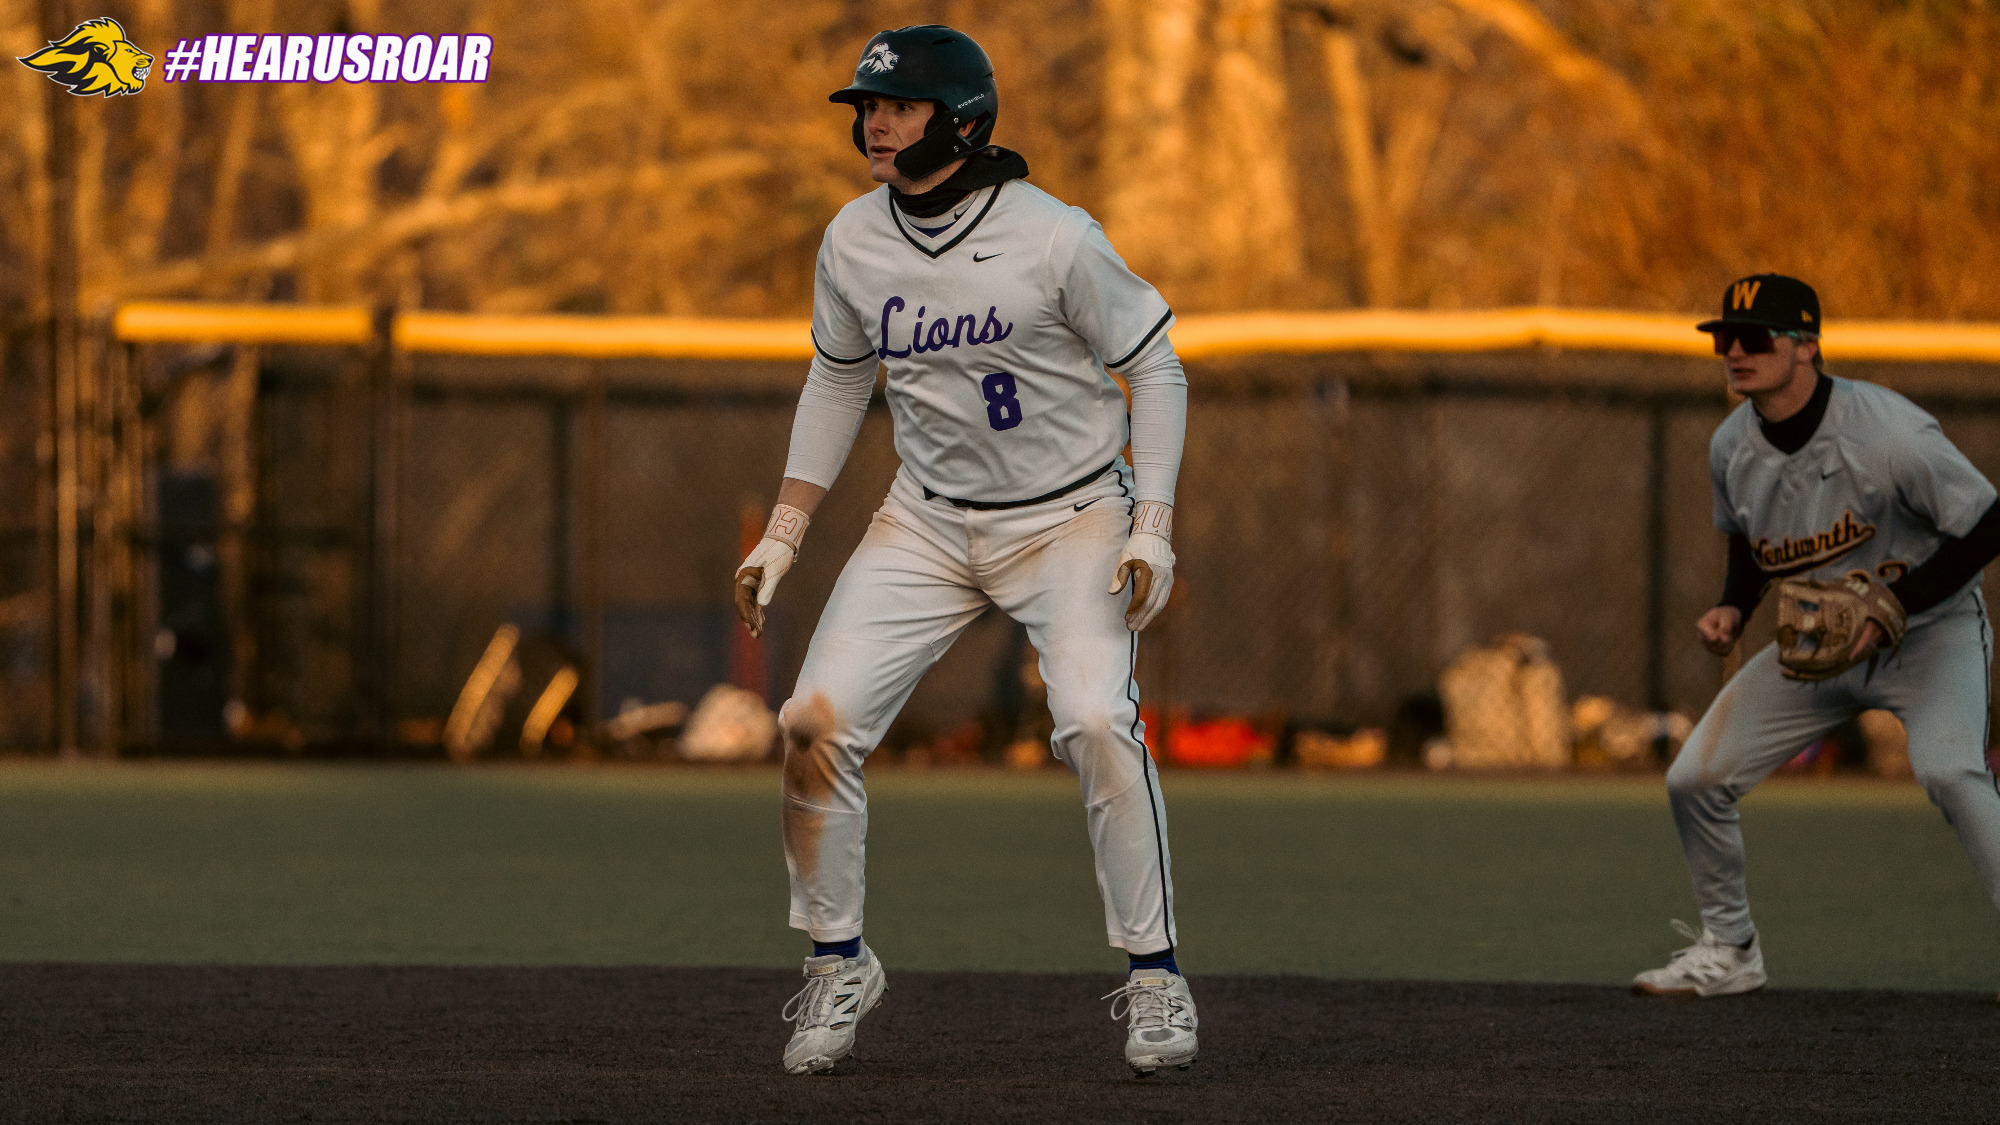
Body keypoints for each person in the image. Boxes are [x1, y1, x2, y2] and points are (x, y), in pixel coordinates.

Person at [735, 25, 1196, 1074]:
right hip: (928, 518)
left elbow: (1157, 368)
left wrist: (1152, 524)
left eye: (896, 106)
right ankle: (836, 960)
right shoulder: (851, 237)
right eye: (867, 107)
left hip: (1069, 515)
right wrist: (784, 531)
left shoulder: (1053, 236)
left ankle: (1154, 976)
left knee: (1092, 721)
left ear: (963, 120)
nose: (874, 123)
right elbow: (839, 380)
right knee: (810, 720)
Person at [1635, 273, 2000, 997]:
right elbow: (1749, 542)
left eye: (1755, 337)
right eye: (1724, 338)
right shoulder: (1729, 446)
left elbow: (1988, 521)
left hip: (1930, 635)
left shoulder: (1890, 432)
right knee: (1694, 778)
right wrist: (1733, 607)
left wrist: (1894, 603)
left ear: (1807, 345)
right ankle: (1731, 949)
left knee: (1951, 772)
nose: (1735, 351)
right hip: (1816, 647)